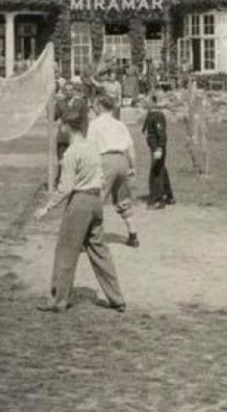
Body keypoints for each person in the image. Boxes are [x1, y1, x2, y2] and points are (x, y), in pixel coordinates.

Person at [33, 109, 126, 313]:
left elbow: (65, 188)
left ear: (67, 127)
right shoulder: (93, 147)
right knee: (100, 251)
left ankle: (58, 300)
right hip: (95, 201)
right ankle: (117, 298)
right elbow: (101, 177)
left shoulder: (71, 153)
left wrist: (46, 208)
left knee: (66, 251)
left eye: (62, 125)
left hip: (80, 202)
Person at [87, 95, 139, 247]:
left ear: (101, 107)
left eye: (95, 106)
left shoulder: (95, 124)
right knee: (123, 199)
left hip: (106, 160)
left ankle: (91, 237)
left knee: (98, 198)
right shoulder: (119, 124)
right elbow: (130, 148)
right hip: (122, 160)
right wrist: (132, 167)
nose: (93, 109)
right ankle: (133, 234)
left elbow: (90, 147)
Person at [141, 94, 174, 209]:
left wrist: (160, 148)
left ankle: (158, 199)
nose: (145, 103)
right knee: (161, 170)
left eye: (147, 101)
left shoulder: (158, 115)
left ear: (153, 102)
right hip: (153, 146)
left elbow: (161, 134)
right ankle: (169, 195)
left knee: (155, 172)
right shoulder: (150, 115)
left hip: (157, 148)